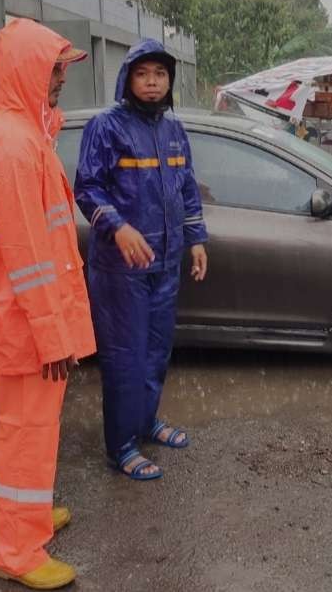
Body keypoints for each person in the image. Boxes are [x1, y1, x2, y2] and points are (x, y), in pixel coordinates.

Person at [0, 18, 96, 590]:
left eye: (63, 68)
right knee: (21, 431)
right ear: (26, 71)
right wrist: (53, 336)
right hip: (27, 325)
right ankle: (15, 551)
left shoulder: (22, 135)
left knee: (33, 428)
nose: (61, 78)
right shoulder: (13, 147)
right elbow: (28, 256)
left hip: (29, 320)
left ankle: (29, 519)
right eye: (53, 68)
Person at [74, 40, 208, 480]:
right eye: (143, 74)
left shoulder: (174, 130)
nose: (152, 82)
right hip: (120, 270)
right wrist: (119, 226)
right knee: (124, 357)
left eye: (160, 75)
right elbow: (88, 187)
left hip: (165, 264)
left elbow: (187, 188)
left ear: (169, 83)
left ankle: (146, 422)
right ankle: (121, 445)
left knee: (155, 352)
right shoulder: (105, 127)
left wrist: (196, 240)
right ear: (127, 78)